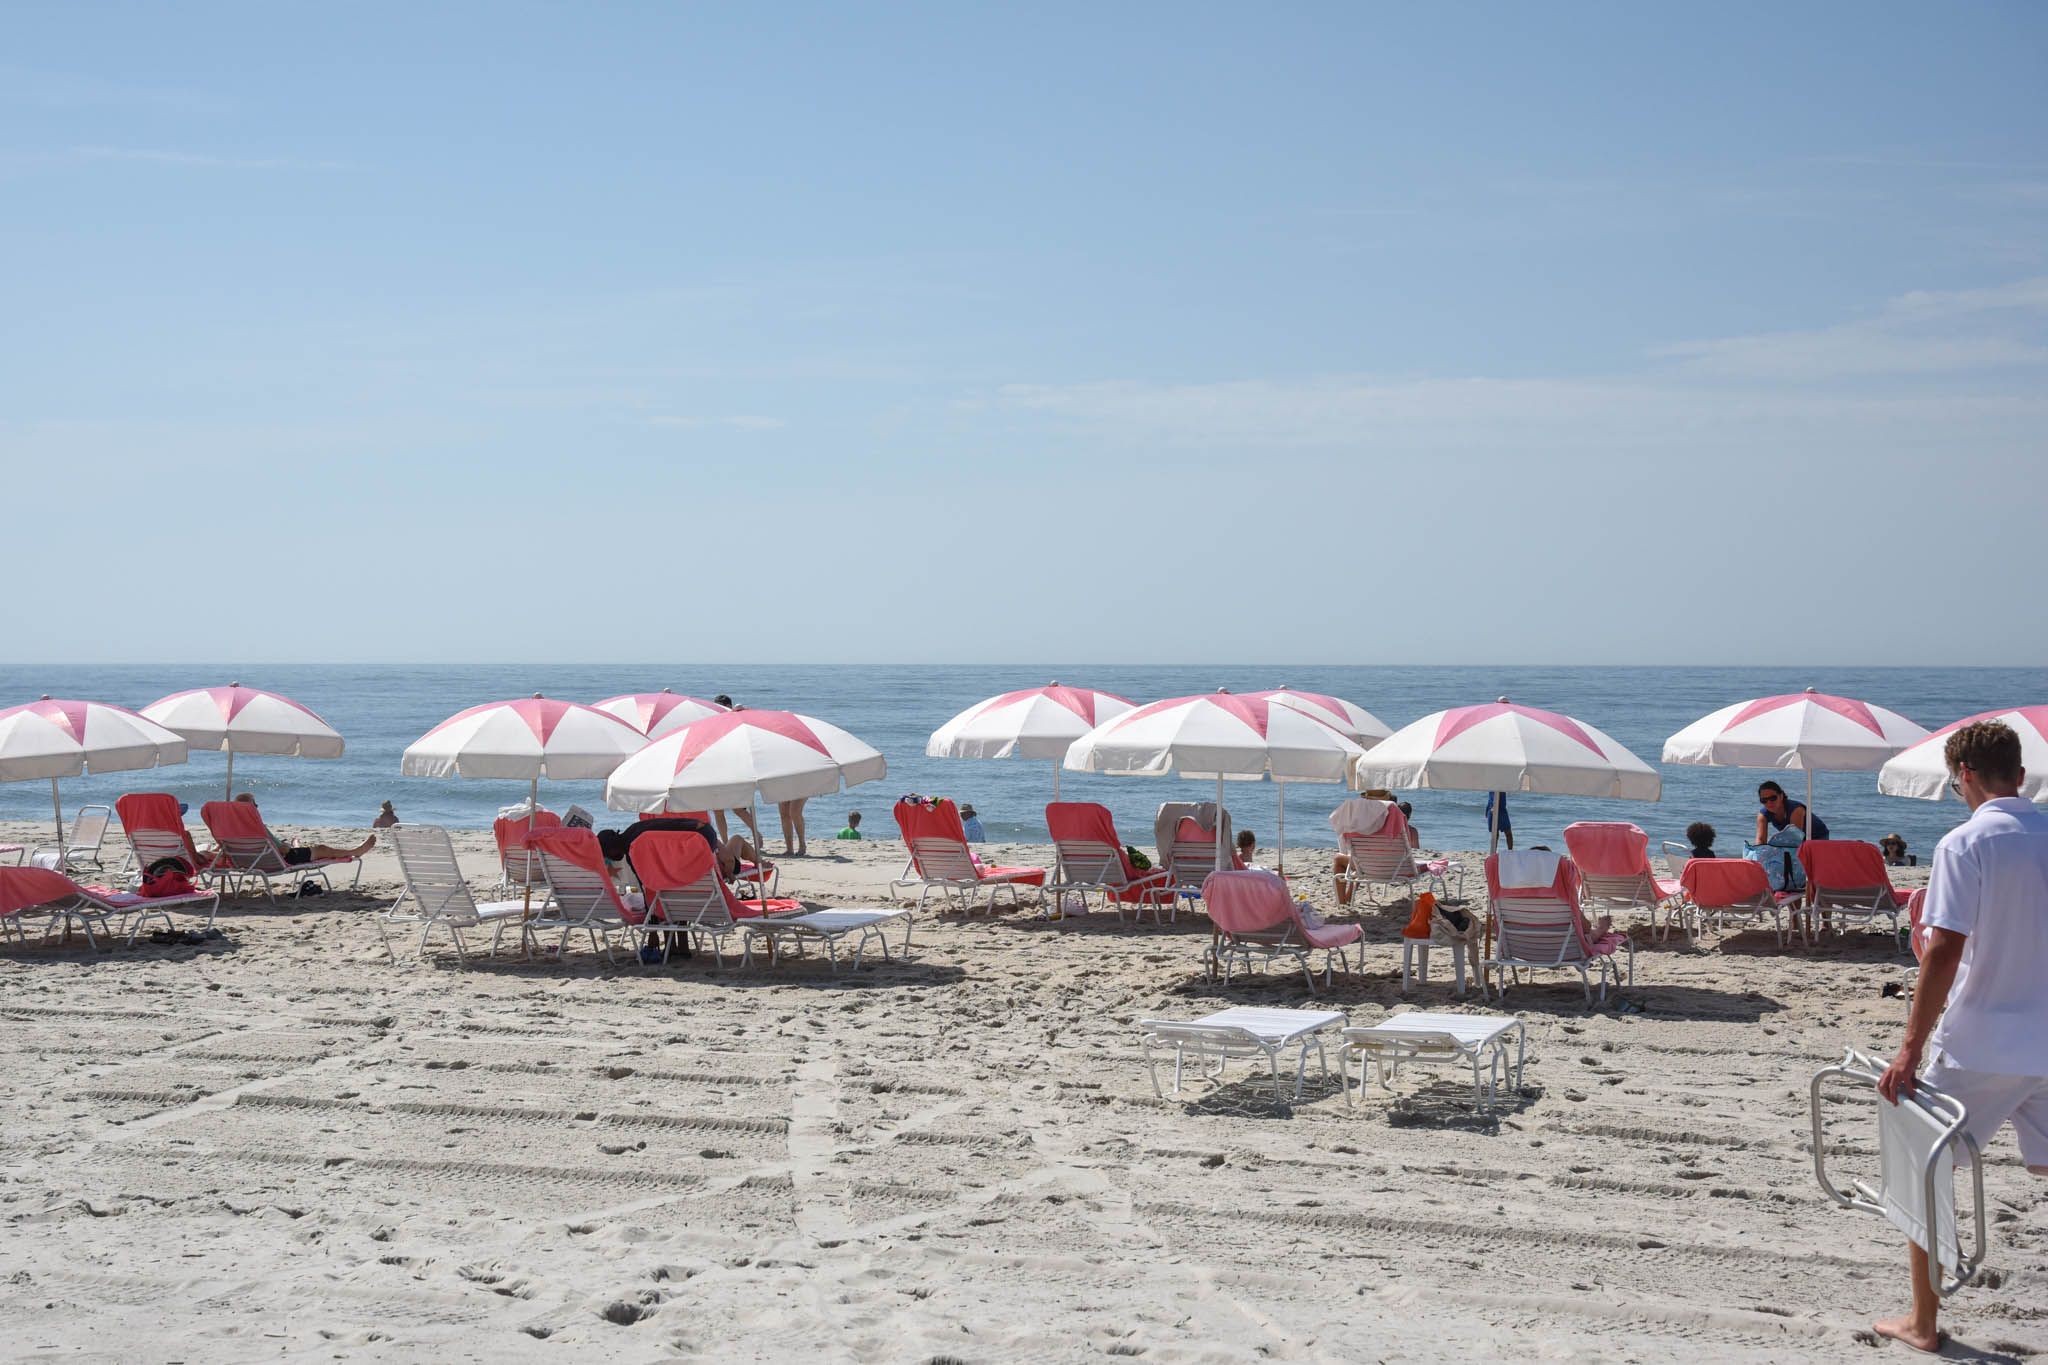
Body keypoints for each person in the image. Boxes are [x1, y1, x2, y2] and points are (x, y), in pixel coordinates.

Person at [1874, 721, 2048, 1352]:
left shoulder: (1966, 843)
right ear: (2020, 776)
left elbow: (1943, 949)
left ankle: (1922, 1322)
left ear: (1966, 775)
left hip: (1981, 1040)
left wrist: (1910, 1047)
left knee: (1922, 1164)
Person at [596, 815, 768, 884]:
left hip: (694, 852)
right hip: (700, 838)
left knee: (734, 842)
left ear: (611, 849)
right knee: (736, 841)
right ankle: (758, 862)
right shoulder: (635, 830)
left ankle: (758, 861)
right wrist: (731, 873)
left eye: (607, 855)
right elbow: (729, 861)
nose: (610, 859)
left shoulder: (633, 849)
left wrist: (729, 872)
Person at [226, 793, 374, 865]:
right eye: (254, 804)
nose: (257, 807)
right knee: (322, 849)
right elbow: (282, 850)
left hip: (248, 863)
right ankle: (355, 851)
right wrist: (285, 846)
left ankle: (296, 844)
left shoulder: (232, 829)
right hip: (281, 859)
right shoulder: (258, 827)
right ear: (248, 809)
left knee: (301, 847)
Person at [1755, 780, 1829, 844]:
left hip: (1818, 837)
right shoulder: (1763, 815)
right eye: (1764, 800)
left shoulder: (1796, 810)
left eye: (1773, 798)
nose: (1769, 803)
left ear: (1781, 796)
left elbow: (1794, 839)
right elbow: (1760, 840)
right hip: (1796, 839)